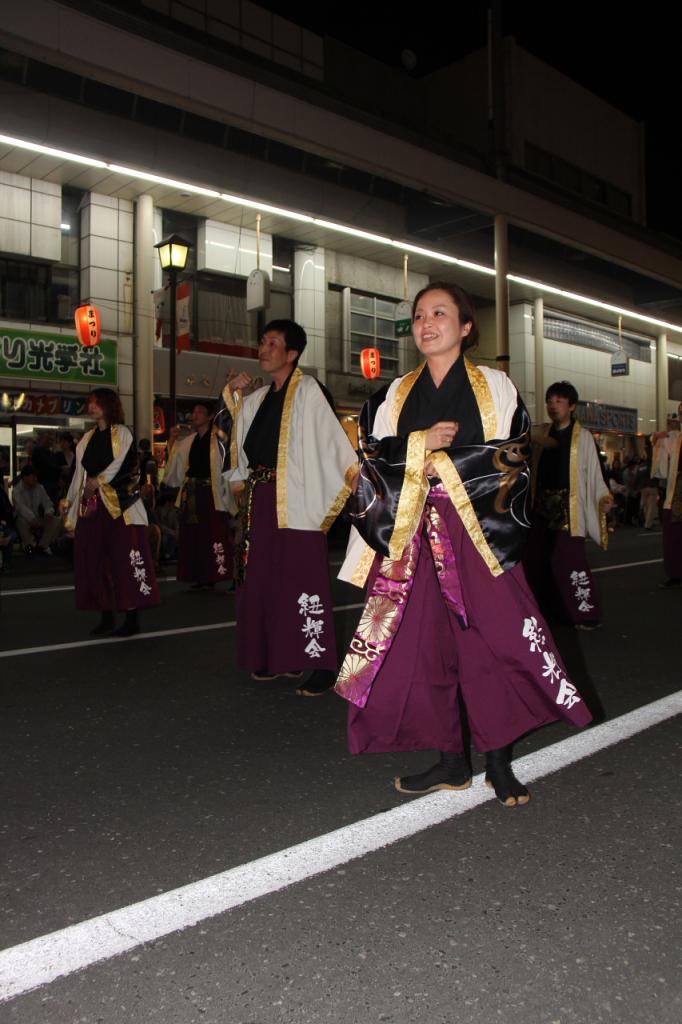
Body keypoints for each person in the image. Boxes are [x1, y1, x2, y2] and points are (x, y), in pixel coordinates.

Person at [334, 282, 593, 806]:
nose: (426, 323)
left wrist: (443, 465)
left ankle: (497, 758)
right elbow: (366, 457)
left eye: (440, 313)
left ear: (466, 326)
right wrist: (418, 445)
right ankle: (452, 758)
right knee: (422, 643)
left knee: (491, 640)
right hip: (409, 533)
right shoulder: (394, 394)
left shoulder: (495, 386)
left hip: (477, 529)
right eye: (418, 315)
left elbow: (513, 454)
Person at [217, 319, 358, 693]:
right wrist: (231, 393)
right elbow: (239, 426)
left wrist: (353, 474)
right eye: (262, 342)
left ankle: (321, 663)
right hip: (260, 499)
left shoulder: (308, 389)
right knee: (263, 580)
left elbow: (330, 440)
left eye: (272, 343)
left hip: (298, 499)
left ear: (292, 353)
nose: (263, 349)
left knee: (303, 581)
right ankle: (280, 658)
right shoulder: (261, 398)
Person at [62, 388, 160, 636]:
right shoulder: (86, 439)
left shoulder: (123, 433)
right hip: (94, 508)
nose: (91, 406)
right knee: (95, 561)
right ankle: (105, 615)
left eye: (96, 402)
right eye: (90, 403)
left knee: (126, 560)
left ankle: (131, 618)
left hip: (122, 507)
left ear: (108, 405)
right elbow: (79, 476)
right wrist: (69, 499)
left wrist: (100, 481)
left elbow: (123, 466)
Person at [523, 381, 612, 630]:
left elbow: (595, 474)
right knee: (536, 559)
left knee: (571, 560)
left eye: (559, 401)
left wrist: (603, 497)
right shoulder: (543, 435)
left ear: (572, 406)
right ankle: (548, 610)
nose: (553, 406)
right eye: (550, 401)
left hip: (568, 506)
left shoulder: (582, 437)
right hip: (541, 506)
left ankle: (587, 613)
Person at [163, 401, 234, 590]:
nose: (195, 415)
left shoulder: (219, 439)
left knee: (214, 533)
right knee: (193, 536)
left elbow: (230, 464)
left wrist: (236, 489)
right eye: (193, 412)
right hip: (192, 493)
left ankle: (216, 574)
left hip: (212, 493)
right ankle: (199, 575)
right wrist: (171, 441)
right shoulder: (187, 441)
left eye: (200, 412)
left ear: (210, 416)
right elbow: (174, 471)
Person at [653, 405, 682, 587]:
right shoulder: (676, 437)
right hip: (676, 491)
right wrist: (656, 438)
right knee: (673, 534)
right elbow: (658, 439)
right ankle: (675, 573)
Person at [11, 464, 62, 556]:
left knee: (56, 520)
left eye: (36, 476)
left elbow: (48, 503)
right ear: (25, 477)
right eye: (33, 476)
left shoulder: (39, 488)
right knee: (21, 521)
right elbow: (20, 508)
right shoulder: (16, 490)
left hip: (38, 517)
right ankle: (30, 545)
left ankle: (43, 545)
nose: (36, 479)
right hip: (25, 519)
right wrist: (31, 518)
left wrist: (48, 513)